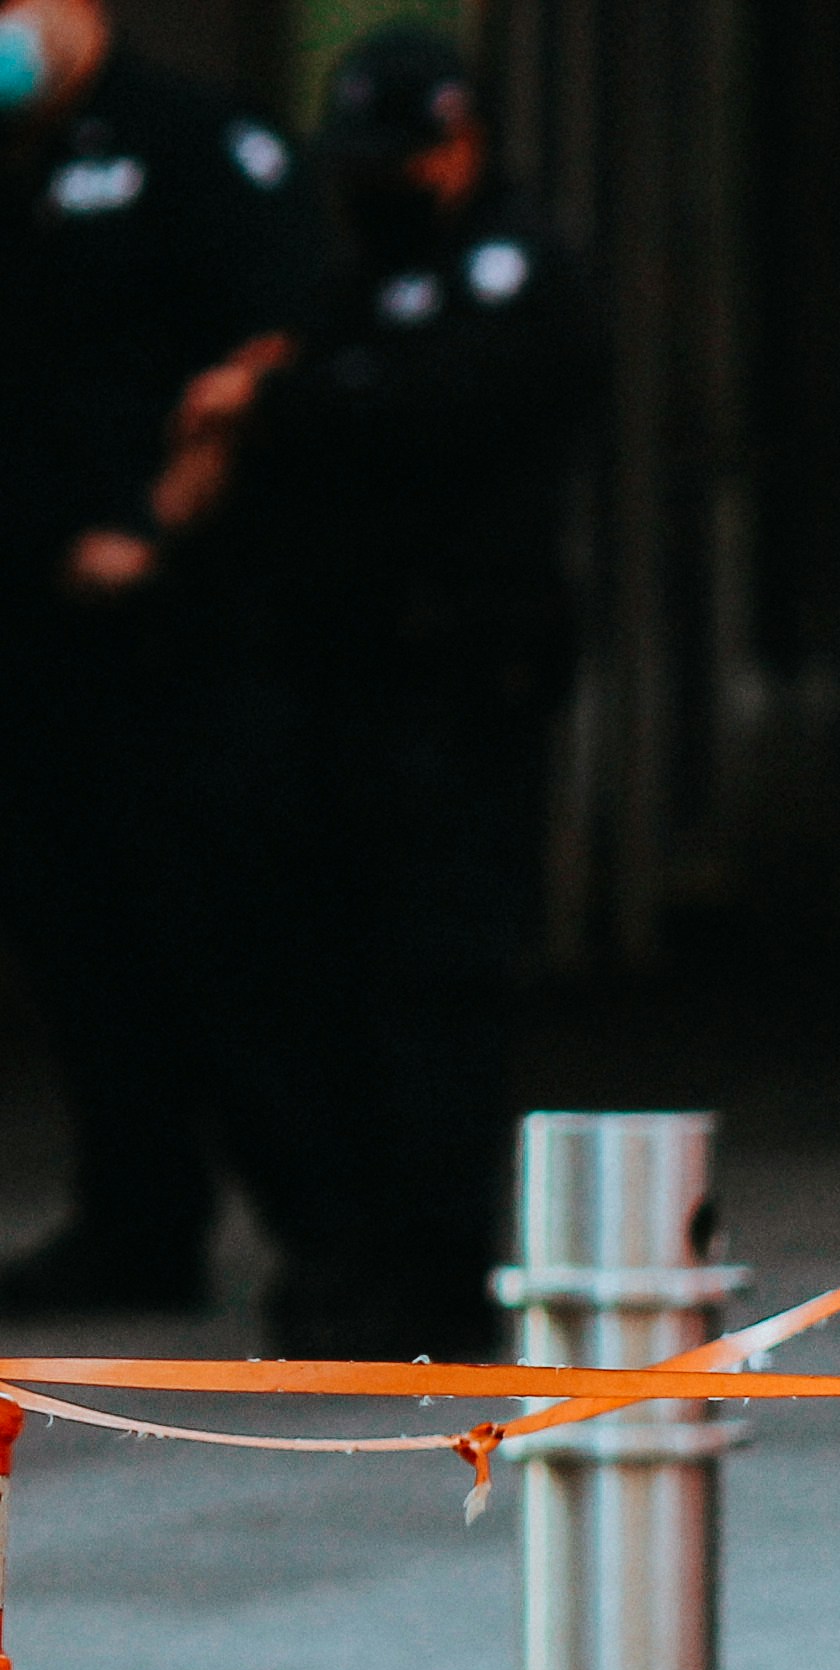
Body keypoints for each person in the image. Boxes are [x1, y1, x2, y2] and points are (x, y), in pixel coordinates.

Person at [173, 23, 598, 1360]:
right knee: (294, 980)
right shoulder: (365, 273)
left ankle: (429, 1271)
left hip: (461, 688)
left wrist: (278, 409)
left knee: (435, 992)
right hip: (338, 688)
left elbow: (421, 419)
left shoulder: (512, 270)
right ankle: (340, 1249)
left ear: (458, 141)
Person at [0, 0, 305, 1319]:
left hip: (176, 627)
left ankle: (328, 1229)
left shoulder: (194, 143)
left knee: (215, 938)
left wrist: (159, 518)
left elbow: (272, 347)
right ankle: (136, 1218)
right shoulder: (16, 166)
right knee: (79, 942)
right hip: (36, 623)